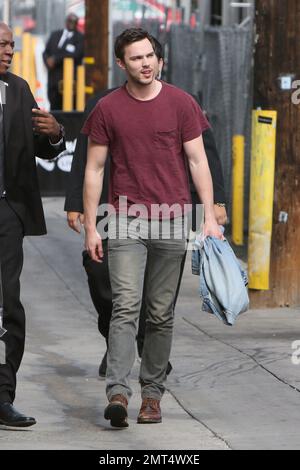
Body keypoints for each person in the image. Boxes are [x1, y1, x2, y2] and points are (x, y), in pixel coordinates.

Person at [82, 27, 223, 428]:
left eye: (149, 56)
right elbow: (93, 169)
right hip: (124, 219)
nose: (144, 63)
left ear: (159, 60)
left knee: (160, 313)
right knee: (125, 306)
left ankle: (152, 395)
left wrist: (209, 216)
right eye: (136, 57)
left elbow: (198, 162)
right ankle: (118, 393)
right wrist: (92, 227)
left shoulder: (181, 104)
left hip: (174, 220)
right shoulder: (108, 108)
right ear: (121, 63)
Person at [0, 22, 65, 428]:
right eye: (2, 44)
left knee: (7, 305)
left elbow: (44, 146)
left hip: (7, 212)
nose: (10, 51)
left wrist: (56, 134)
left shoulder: (18, 89)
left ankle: (3, 397)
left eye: (11, 44)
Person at [43, 13, 84, 110]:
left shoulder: (80, 38)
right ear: (66, 22)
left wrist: (55, 59)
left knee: (68, 109)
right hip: (53, 78)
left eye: (74, 22)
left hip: (70, 81)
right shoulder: (55, 35)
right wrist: (47, 62)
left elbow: (76, 54)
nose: (71, 24)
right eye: (70, 21)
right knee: (54, 108)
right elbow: (46, 52)